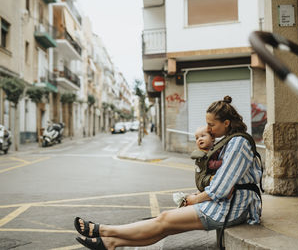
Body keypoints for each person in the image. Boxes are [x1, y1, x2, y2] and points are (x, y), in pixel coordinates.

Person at [74, 95, 263, 250]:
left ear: (227, 123)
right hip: (226, 204)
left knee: (164, 219)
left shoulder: (238, 143)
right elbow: (220, 184)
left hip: (233, 208)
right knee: (165, 226)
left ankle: (104, 230)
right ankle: (111, 242)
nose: (209, 130)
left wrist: (194, 199)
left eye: (211, 125)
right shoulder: (230, 140)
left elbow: (221, 188)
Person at [191, 126, 223, 192]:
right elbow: (211, 165)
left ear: (212, 138)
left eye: (202, 136)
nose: (199, 139)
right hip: (204, 180)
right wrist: (223, 162)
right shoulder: (202, 154)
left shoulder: (213, 149)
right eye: (197, 138)